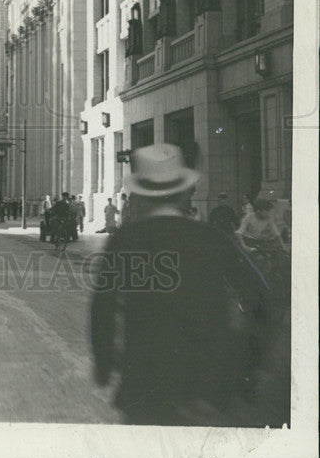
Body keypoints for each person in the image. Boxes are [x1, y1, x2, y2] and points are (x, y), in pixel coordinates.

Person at [90, 144, 268, 425]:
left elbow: (102, 309)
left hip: (144, 387)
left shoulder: (125, 240)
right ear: (185, 192)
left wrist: (103, 366)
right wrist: (249, 365)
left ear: (142, 196)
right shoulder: (210, 237)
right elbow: (259, 294)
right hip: (205, 389)